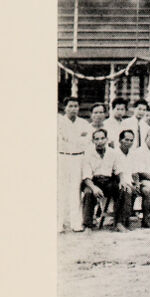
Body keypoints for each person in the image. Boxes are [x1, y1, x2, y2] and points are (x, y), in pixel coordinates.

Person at [58, 96, 91, 232]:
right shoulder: (58, 122)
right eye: (70, 106)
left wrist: (71, 139)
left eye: (75, 106)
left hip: (78, 158)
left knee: (75, 190)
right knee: (61, 190)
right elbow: (59, 140)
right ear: (65, 107)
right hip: (62, 157)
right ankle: (58, 223)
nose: (73, 109)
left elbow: (86, 141)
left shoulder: (83, 123)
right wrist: (77, 138)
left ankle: (75, 223)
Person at [81, 128, 120, 229]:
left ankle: (119, 222)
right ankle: (88, 225)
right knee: (88, 193)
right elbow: (86, 176)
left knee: (122, 189)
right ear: (93, 140)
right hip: (93, 182)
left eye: (102, 138)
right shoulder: (88, 154)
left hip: (108, 181)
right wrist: (94, 188)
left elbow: (118, 170)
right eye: (97, 139)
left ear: (107, 139)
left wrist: (122, 181)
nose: (100, 141)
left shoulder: (113, 153)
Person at [111, 128, 138, 230]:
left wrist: (137, 183)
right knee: (127, 190)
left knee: (145, 190)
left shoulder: (133, 154)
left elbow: (135, 172)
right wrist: (127, 183)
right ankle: (120, 222)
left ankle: (145, 220)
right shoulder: (114, 153)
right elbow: (115, 172)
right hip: (117, 181)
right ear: (120, 140)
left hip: (130, 181)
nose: (129, 142)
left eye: (131, 140)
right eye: (126, 140)